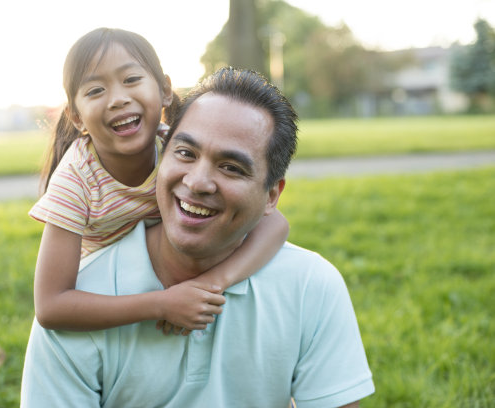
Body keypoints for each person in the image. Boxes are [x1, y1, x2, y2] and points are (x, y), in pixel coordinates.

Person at [21, 67, 375, 407]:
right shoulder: (83, 303)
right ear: (162, 152)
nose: (197, 182)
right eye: (186, 154)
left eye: (231, 167)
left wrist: (212, 283)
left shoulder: (311, 285)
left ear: (272, 196)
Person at [29, 27, 289, 335]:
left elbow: (275, 224)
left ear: (165, 90)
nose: (118, 99)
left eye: (131, 79)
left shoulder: (177, 149)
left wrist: (210, 284)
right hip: (107, 292)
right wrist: (161, 304)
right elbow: (51, 307)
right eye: (95, 90)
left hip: (168, 273)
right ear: (76, 117)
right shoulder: (76, 181)